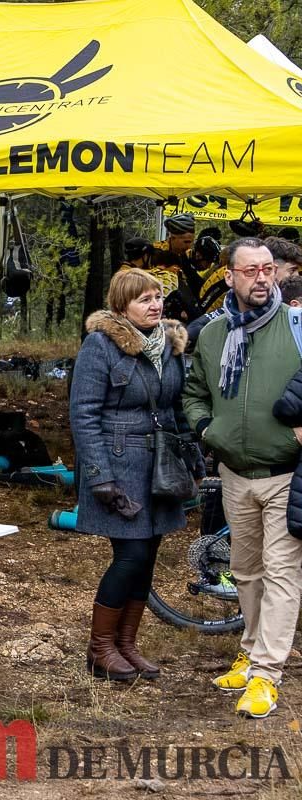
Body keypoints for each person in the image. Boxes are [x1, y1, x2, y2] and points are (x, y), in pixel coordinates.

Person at [183, 237, 302, 719]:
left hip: (285, 473)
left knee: (281, 572)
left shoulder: (296, 326)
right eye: (250, 270)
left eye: (268, 269)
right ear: (229, 276)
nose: (262, 278)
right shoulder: (212, 335)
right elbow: (194, 391)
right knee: (247, 573)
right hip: (233, 472)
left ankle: (266, 675)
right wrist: (207, 430)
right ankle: (251, 651)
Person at [70, 269, 194, 682]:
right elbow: (83, 414)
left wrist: (189, 454)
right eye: (144, 299)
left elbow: (174, 409)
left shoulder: (169, 347)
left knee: (148, 560)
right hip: (118, 466)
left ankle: (126, 645)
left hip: (158, 468)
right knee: (131, 556)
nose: (155, 304)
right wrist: (99, 476)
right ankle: (100, 648)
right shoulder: (100, 345)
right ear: (122, 306)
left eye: (158, 297)